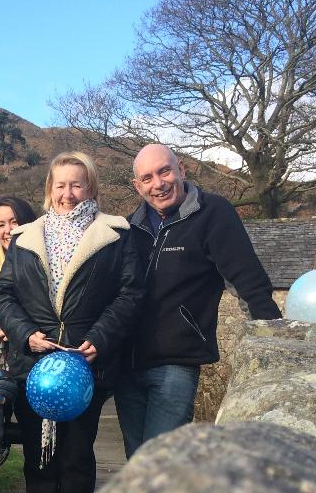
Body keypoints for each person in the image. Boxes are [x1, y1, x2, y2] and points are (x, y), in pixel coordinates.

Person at [0, 151, 144, 493]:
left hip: (85, 366)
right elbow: (3, 296)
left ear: (91, 188)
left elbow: (130, 295)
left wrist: (100, 337)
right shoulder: (23, 239)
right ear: (48, 189)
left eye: (77, 184)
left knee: (76, 463)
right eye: (60, 185)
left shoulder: (116, 235)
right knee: (39, 465)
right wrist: (26, 336)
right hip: (34, 368)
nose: (67, 193)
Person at [115, 143, 281, 458]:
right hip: (127, 367)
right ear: (138, 187)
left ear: (181, 169)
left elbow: (248, 281)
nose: (158, 183)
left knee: (160, 462)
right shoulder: (128, 229)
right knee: (137, 464)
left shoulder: (212, 212)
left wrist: (274, 343)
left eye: (164, 171)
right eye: (147, 178)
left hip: (176, 363)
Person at [0, 195, 39, 324]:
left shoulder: (45, 259)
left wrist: (8, 317)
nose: (8, 230)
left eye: (14, 222)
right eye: (1, 225)